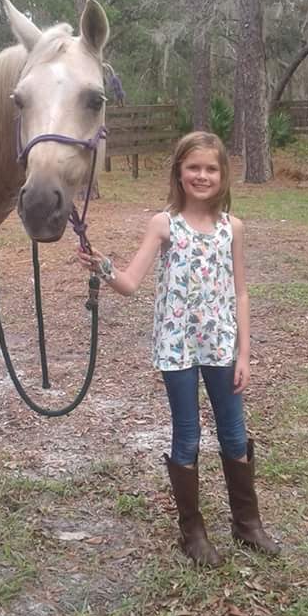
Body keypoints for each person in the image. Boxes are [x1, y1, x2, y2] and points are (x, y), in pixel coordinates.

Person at [78, 131, 280, 567]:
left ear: (223, 175)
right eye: (194, 167)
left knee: (233, 432)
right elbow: (131, 283)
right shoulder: (164, 224)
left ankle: (247, 524)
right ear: (179, 172)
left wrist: (244, 353)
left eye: (211, 168)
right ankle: (193, 532)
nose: (202, 175)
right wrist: (103, 267)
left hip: (222, 346)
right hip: (178, 349)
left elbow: (241, 293)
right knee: (187, 435)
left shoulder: (233, 228)